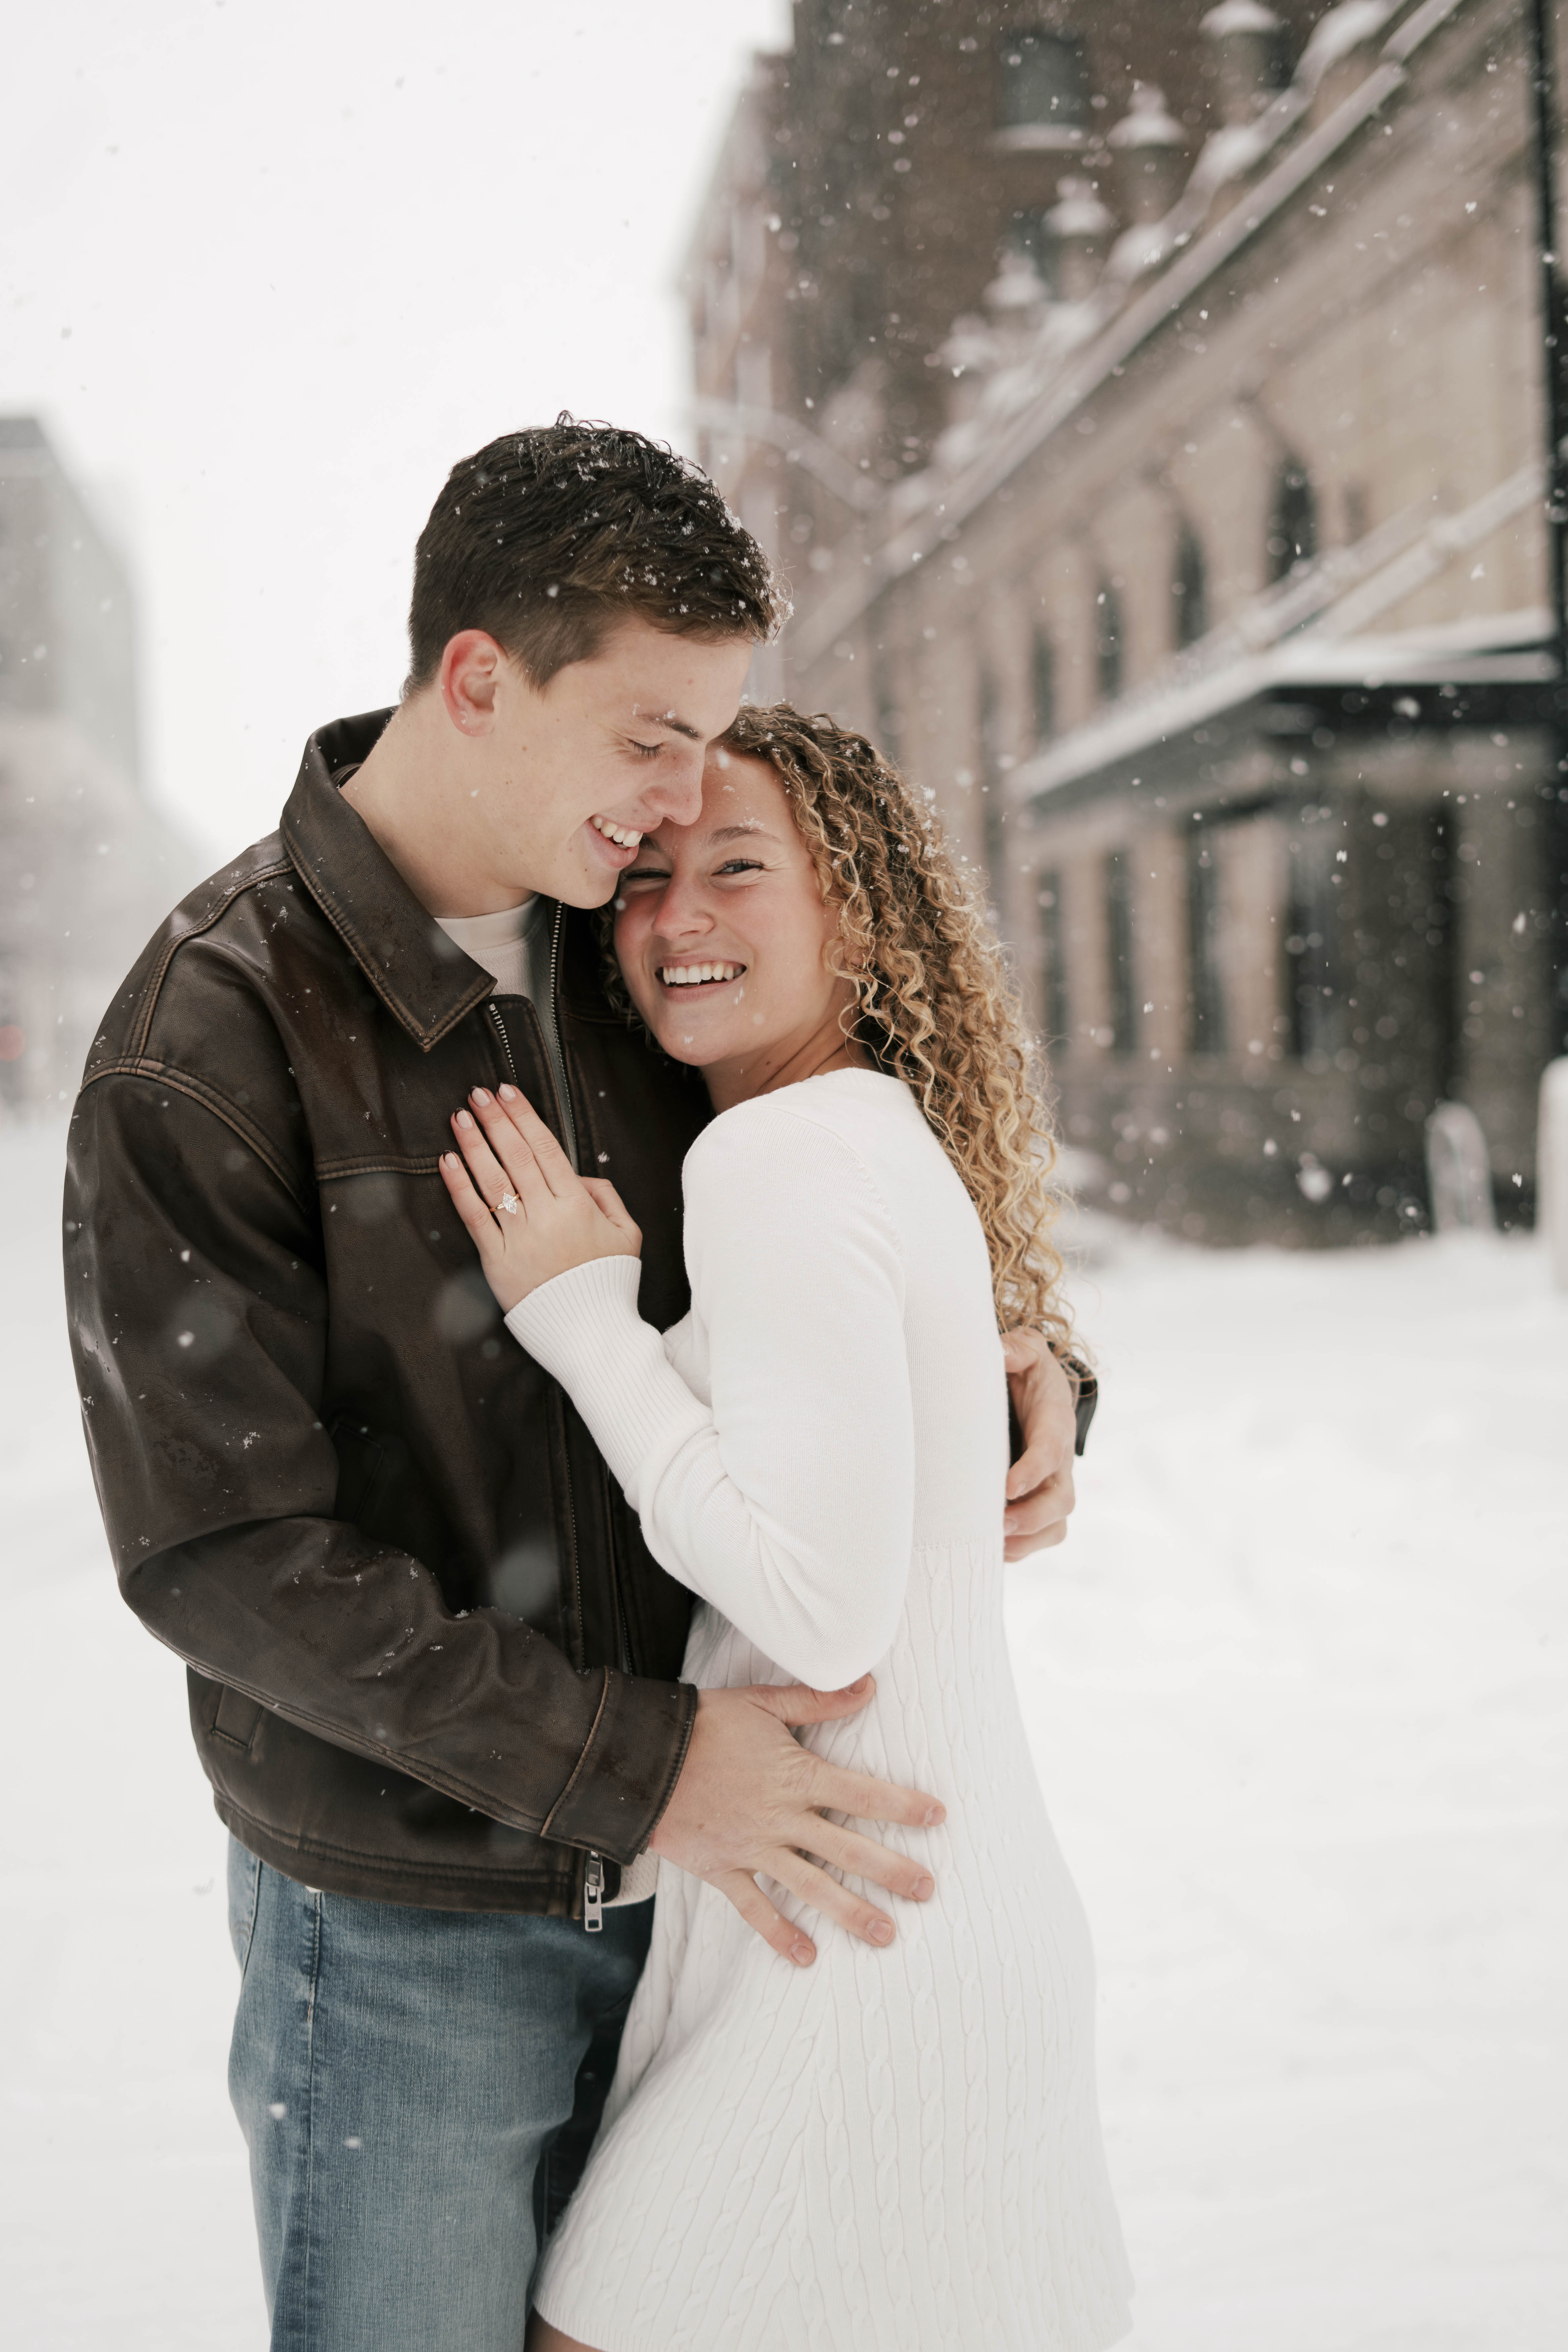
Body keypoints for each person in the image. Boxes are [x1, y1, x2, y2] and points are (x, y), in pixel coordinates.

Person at [62, 421, 1085, 2351]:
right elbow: (225, 1553)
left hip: (722, 1919)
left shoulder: (636, 954)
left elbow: (837, 1210)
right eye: (647, 738)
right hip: (413, 1938)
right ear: (476, 682)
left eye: (713, 741)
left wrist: (1027, 1370)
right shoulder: (208, 1033)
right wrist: (640, 1770)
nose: (681, 801)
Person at [440, 705, 1134, 2351]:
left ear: (857, 906)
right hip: (912, 1916)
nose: (678, 919)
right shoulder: (866, 1133)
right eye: (646, 877)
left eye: (739, 867)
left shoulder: (777, 1159)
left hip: (860, 1955)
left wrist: (581, 1316)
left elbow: (817, 1612)